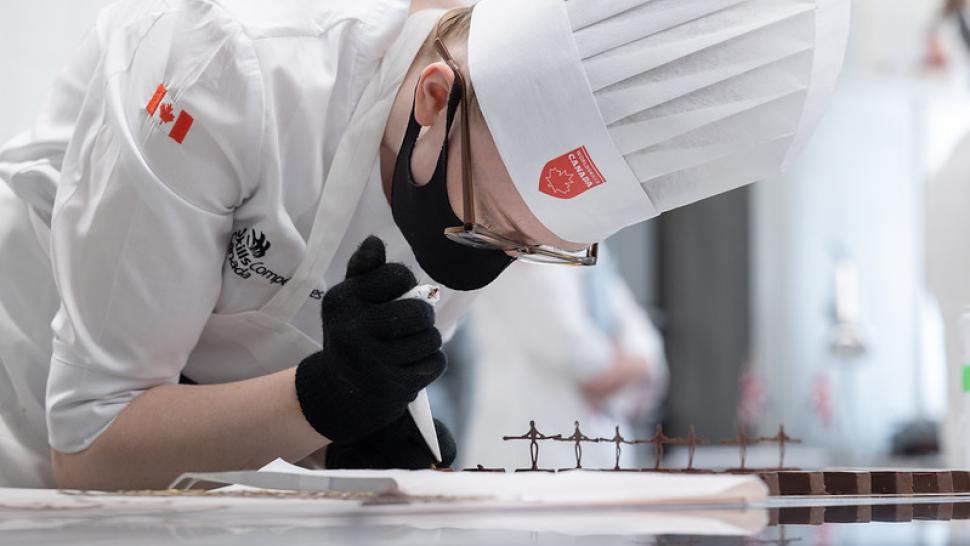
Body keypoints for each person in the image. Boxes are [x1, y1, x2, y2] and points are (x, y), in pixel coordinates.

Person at [0, 0, 849, 489]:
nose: (486, 260)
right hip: (23, 399)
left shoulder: (474, 175)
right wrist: (317, 401)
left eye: (524, 246)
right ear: (435, 98)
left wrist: (358, 437)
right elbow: (90, 444)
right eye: (485, 225)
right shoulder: (228, 63)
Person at [463, 251, 667, 471]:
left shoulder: (595, 252)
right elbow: (567, 343)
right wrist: (623, 367)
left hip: (601, 441)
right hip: (530, 439)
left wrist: (634, 365)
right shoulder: (515, 241)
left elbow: (644, 343)